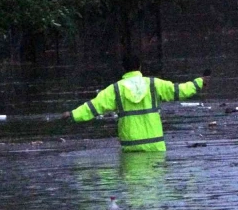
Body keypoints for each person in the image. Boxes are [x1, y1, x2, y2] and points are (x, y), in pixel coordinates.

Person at [62, 55, 209, 152]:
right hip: (155, 146)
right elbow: (180, 91)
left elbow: (94, 106)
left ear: (124, 69)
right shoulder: (153, 84)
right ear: (140, 67)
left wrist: (72, 115)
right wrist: (199, 82)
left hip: (131, 147)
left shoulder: (116, 89)